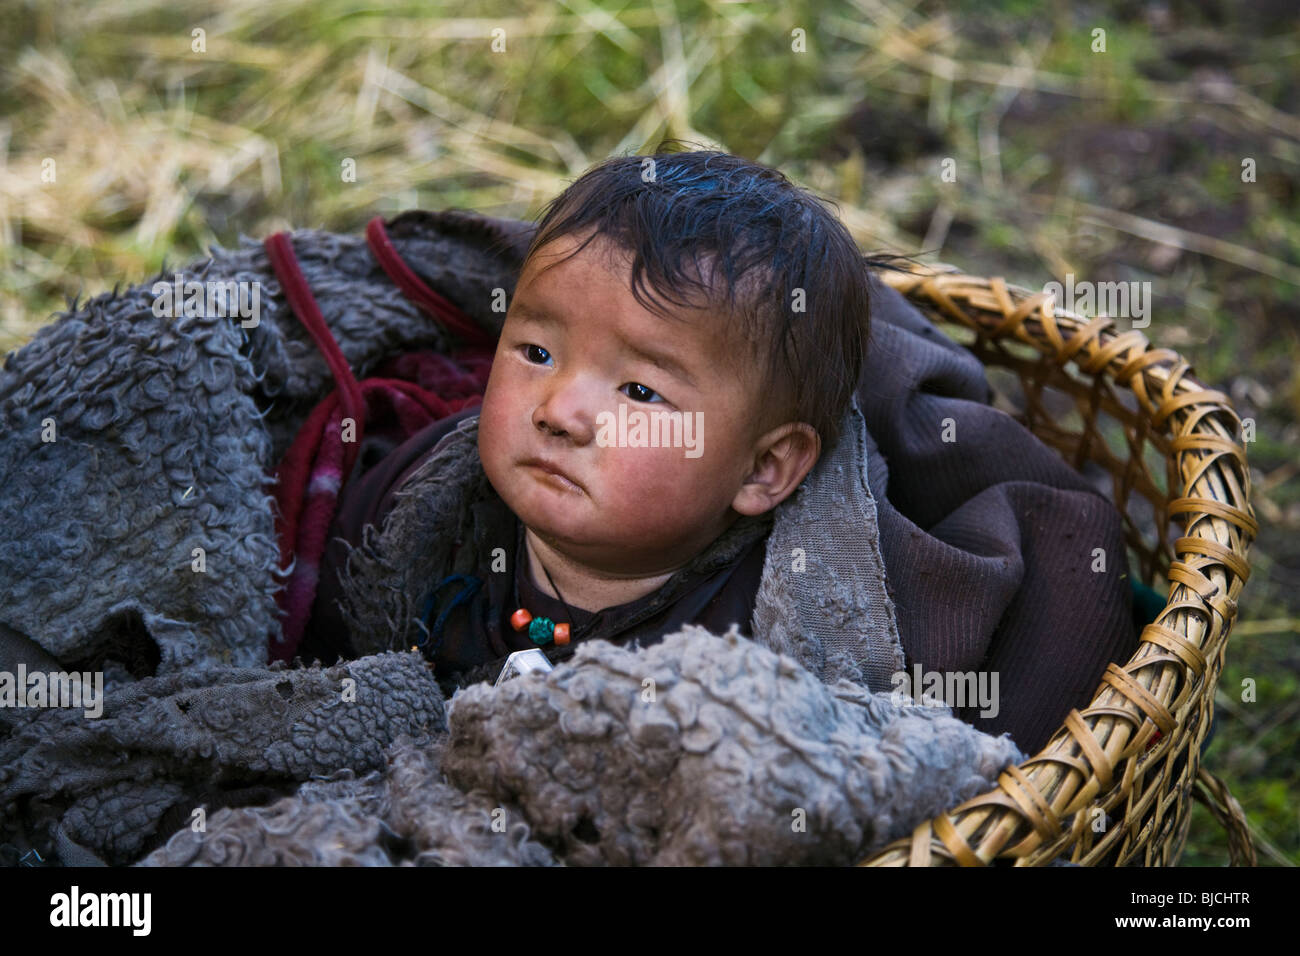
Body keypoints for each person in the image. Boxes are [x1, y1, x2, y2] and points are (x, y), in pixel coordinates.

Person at [302, 148, 1139, 756]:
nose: (559, 411)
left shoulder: (793, 631)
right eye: (535, 352)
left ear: (763, 470)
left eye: (639, 393)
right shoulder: (424, 506)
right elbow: (323, 643)